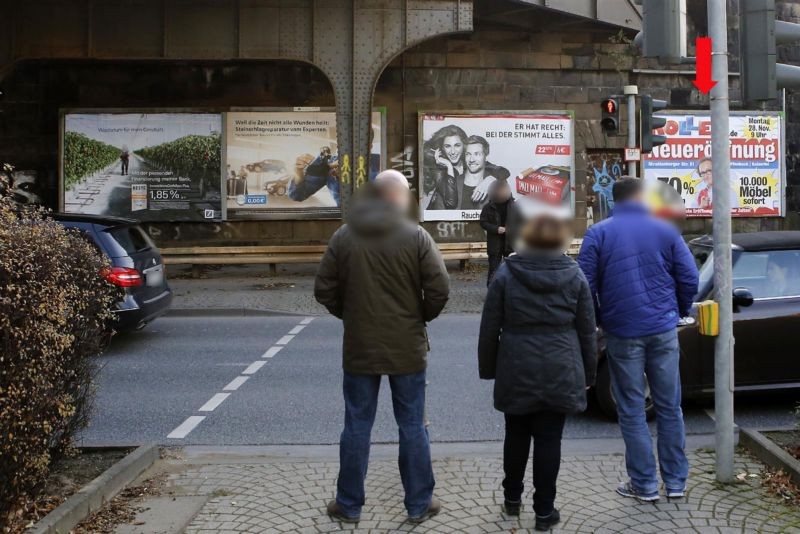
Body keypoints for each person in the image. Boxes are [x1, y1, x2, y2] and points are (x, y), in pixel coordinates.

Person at [314, 169, 450, 524]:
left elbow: (323, 290)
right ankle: (419, 504)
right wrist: (418, 318)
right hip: (407, 347)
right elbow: (440, 290)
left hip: (360, 347)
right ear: (399, 198)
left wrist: (350, 315)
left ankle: (348, 504)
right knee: (412, 426)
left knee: (357, 425)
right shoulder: (416, 237)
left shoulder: (344, 236)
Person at [577, 177, 699, 502]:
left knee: (631, 409)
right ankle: (675, 483)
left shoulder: (598, 234)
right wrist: (679, 310)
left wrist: (602, 318)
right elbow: (690, 277)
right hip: (662, 329)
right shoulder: (665, 229)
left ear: (613, 201)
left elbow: (583, 287)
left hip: (622, 331)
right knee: (670, 406)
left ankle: (644, 485)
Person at [478, 215, 597, 532]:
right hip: (560, 363)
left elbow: (489, 327)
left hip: (516, 363)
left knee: (515, 434)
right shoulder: (574, 275)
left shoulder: (506, 273)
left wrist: (489, 369)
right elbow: (587, 330)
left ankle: (512, 499)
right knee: (549, 439)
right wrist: (588, 373)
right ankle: (544, 511)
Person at [479, 179, 519, 285]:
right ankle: (492, 291)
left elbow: (522, 223)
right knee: (494, 269)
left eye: (503, 190)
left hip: (510, 243)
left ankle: (510, 291)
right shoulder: (488, 207)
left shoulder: (515, 206)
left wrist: (512, 229)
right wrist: (496, 229)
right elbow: (483, 222)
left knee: (512, 269)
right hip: (495, 244)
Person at [463, 135, 510, 210]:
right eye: (468, 154)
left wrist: (490, 179)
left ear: (485, 155)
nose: (471, 159)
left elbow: (504, 171)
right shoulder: (459, 173)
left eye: (477, 154)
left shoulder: (489, 168)